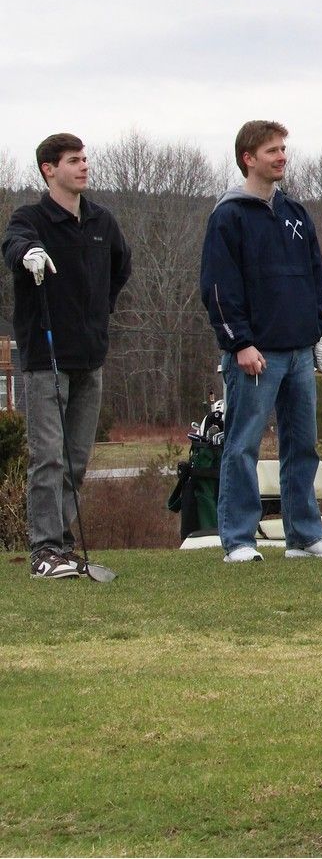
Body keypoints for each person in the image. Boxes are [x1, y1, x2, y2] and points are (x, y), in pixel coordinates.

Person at [200, 120, 322, 564]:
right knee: (242, 447)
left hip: (301, 351)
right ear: (249, 158)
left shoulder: (296, 214)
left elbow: (314, 278)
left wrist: (319, 332)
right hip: (255, 355)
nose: (282, 156)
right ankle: (239, 541)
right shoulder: (229, 216)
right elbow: (218, 288)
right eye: (272, 151)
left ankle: (303, 536)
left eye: (284, 148)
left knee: (302, 446)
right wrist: (239, 343)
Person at [1, 133, 131, 579]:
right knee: (48, 458)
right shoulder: (31, 218)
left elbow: (121, 268)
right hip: (45, 358)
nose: (83, 166)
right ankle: (43, 551)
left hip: (89, 356)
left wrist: (100, 311)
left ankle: (62, 545)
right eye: (73, 160)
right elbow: (13, 243)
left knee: (76, 459)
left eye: (85, 159)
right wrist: (28, 254)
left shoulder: (101, 221)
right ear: (48, 169)